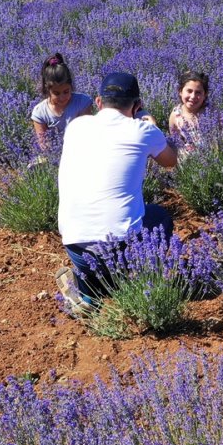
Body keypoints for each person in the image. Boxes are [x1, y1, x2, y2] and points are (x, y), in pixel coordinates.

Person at [55, 72, 178, 309]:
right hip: (120, 249)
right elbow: (170, 161)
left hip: (75, 246)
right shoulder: (143, 131)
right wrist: (153, 127)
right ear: (137, 105)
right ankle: (140, 286)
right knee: (160, 217)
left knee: (97, 258)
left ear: (99, 102)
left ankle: (88, 291)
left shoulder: (76, 126)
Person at [30, 53, 93, 152]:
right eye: (56, 93)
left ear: (71, 87)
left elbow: (87, 133)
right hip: (54, 154)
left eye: (66, 92)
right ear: (47, 90)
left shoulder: (83, 102)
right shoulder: (40, 112)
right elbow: (43, 143)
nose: (62, 97)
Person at [168, 70, 210, 155]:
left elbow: (222, 137)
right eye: (189, 91)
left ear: (205, 94)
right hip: (186, 163)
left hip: (211, 160)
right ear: (180, 92)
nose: (193, 96)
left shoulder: (210, 113)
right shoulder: (176, 115)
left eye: (198, 92)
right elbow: (174, 141)